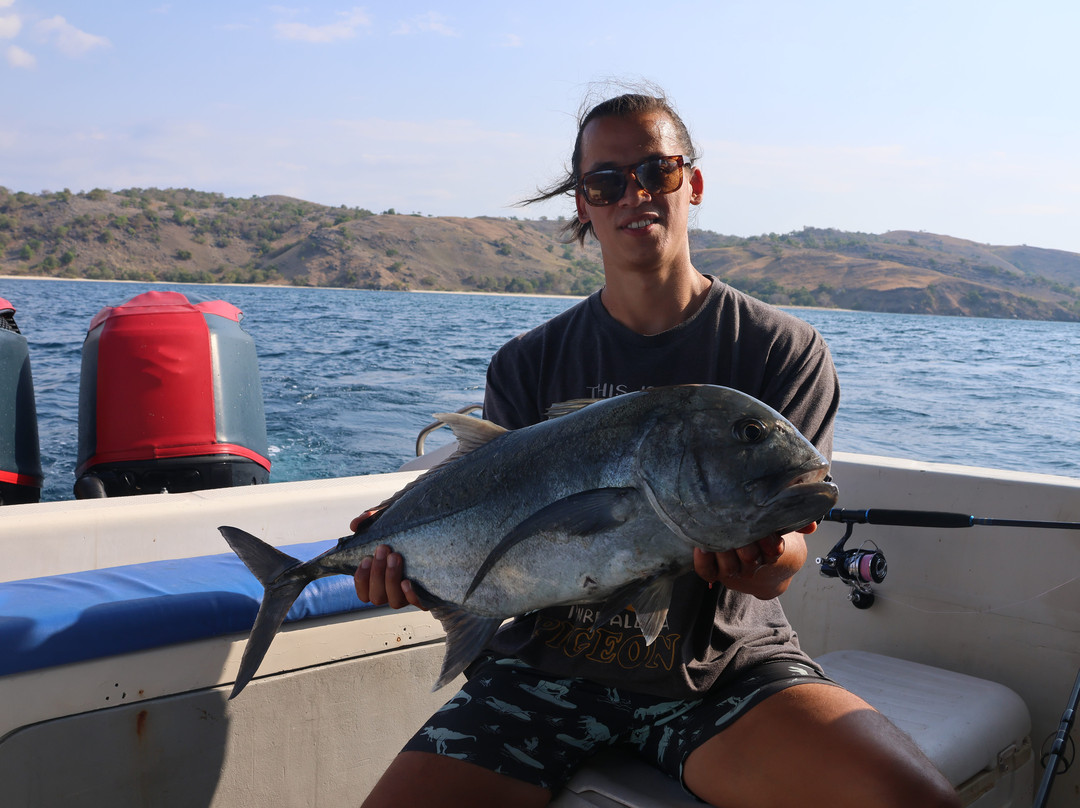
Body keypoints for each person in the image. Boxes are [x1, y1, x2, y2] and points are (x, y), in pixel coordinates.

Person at [354, 87, 960, 808]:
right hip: (541, 676)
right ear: (582, 204)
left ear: (692, 183)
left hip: (722, 671)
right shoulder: (526, 363)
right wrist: (418, 575)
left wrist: (759, 561)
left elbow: (786, 558)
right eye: (605, 182)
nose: (632, 194)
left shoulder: (778, 349)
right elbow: (497, 547)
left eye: (656, 172)